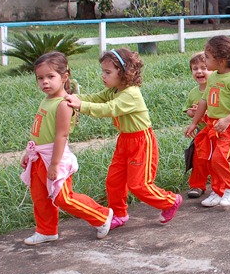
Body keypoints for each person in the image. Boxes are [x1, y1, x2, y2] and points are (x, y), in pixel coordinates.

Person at [65, 48, 182, 228]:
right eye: (103, 71)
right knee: (114, 180)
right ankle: (119, 214)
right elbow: (96, 99)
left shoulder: (130, 94)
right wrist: (72, 97)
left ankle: (170, 201)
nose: (103, 76)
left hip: (141, 141)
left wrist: (81, 105)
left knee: (139, 185)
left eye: (108, 72)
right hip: (125, 141)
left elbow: (108, 109)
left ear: (125, 71)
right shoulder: (114, 90)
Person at [20, 52, 113, 245]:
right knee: (40, 197)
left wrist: (54, 165)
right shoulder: (47, 100)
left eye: (50, 76)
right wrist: (27, 153)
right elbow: (37, 131)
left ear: (64, 76)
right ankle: (46, 230)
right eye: (40, 78)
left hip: (55, 157)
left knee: (63, 198)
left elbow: (61, 136)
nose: (45, 82)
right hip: (39, 157)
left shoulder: (63, 104)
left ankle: (102, 216)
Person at [184, 36, 230, 207]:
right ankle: (218, 190)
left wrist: (227, 120)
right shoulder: (213, 77)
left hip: (229, 125)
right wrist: (194, 123)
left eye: (207, 57)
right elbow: (204, 102)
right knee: (209, 157)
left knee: (219, 158)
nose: (204, 61)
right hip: (212, 124)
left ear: (221, 61)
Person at [183, 52, 213, 198]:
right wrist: (193, 112)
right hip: (201, 133)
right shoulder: (193, 93)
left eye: (203, 68)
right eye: (195, 68)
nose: (199, 71)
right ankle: (197, 186)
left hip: (218, 131)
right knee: (198, 159)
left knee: (224, 159)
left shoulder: (216, 88)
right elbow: (187, 111)